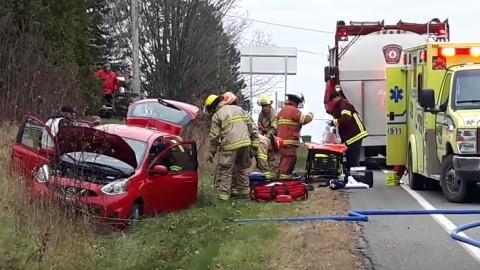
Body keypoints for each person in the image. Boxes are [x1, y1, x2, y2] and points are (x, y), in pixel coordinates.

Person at [204, 94, 259, 201]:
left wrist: (212, 152)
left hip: (229, 146)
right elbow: (252, 127)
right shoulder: (240, 109)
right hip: (245, 144)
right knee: (241, 169)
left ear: (212, 107)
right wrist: (255, 145)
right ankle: (244, 194)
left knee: (225, 171)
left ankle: (223, 197)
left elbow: (214, 136)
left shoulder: (217, 115)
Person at [326, 91, 368, 169]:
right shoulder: (341, 104)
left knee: (353, 159)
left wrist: (335, 122)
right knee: (350, 159)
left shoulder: (343, 104)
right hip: (352, 136)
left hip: (355, 134)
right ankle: (351, 176)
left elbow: (347, 118)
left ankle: (354, 177)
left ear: (335, 99)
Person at [277, 92, 314, 179]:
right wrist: (311, 115)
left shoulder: (281, 111)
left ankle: (282, 180)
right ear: (296, 102)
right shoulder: (293, 110)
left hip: (280, 142)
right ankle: (284, 184)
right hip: (290, 142)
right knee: (288, 164)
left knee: (283, 162)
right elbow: (304, 119)